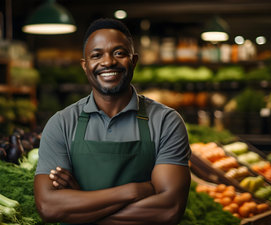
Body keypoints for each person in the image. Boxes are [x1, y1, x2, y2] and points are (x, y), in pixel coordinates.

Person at [34, 18, 191, 225]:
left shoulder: (166, 122)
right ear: (85, 65)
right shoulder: (62, 123)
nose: (108, 62)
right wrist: (133, 191)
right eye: (96, 55)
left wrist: (81, 208)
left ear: (133, 61)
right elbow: (49, 207)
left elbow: (169, 210)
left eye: (119, 53)